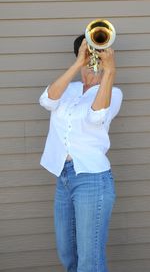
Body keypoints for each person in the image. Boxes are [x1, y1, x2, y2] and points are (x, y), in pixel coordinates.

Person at [39, 34, 123, 272]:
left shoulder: (113, 93)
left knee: (89, 260)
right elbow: (47, 100)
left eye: (95, 63)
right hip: (63, 177)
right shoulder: (69, 89)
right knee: (68, 253)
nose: (90, 69)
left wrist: (110, 72)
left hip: (92, 179)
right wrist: (77, 63)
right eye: (87, 62)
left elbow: (97, 116)